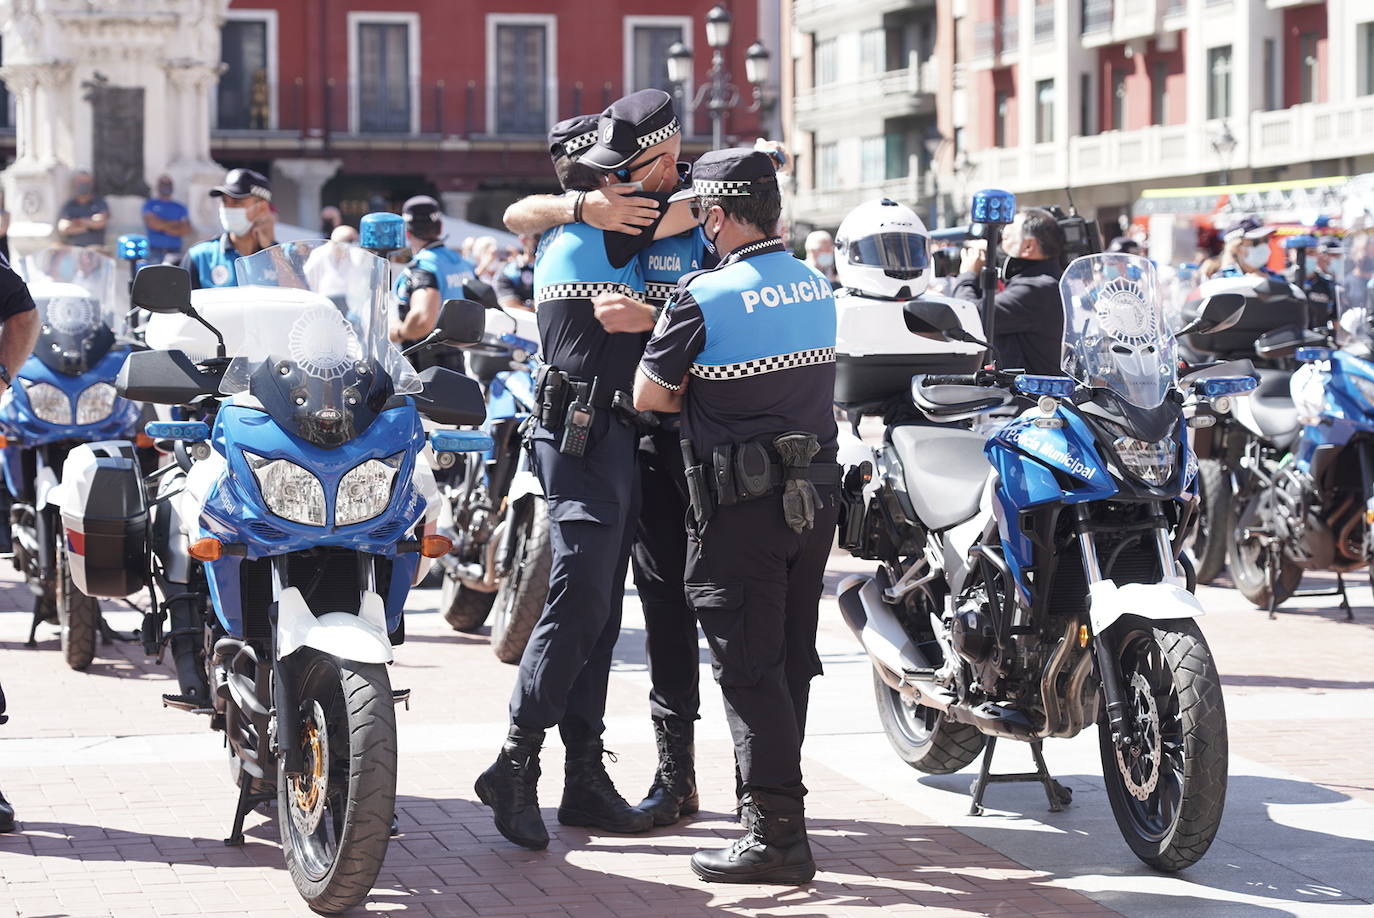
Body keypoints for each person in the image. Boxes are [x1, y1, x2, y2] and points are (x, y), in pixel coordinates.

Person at [474, 91, 693, 852]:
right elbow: (517, 215)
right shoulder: (606, 218)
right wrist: (583, 206)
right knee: (579, 603)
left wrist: (584, 208)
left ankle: (583, 781)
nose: (596, 180)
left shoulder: (638, 212)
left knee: (597, 614)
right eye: (593, 171)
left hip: (613, 438)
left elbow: (698, 203)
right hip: (580, 434)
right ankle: (516, 759)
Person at [634, 148, 839, 885]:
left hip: (738, 509)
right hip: (812, 499)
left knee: (748, 668)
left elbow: (649, 395)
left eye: (704, 218)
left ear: (716, 217)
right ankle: (777, 812)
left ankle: (777, 834)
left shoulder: (702, 294)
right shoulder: (816, 285)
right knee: (787, 660)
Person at [952, 206, 1067, 376]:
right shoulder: (1044, 280)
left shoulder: (1037, 289)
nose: (998, 247)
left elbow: (969, 315)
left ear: (1028, 246)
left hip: (1032, 400)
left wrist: (968, 273)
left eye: (1005, 238)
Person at [389, 196, 478, 356]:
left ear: (407, 234)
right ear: (440, 227)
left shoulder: (423, 267)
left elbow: (422, 320)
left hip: (425, 365)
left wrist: (398, 333)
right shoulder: (461, 262)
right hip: (458, 358)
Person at [180, 168, 276, 289]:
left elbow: (297, 298)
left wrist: (271, 249)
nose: (227, 208)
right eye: (225, 201)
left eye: (237, 201)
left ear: (261, 208)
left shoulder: (282, 257)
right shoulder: (200, 256)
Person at [141, 175, 193, 264]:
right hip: (154, 251)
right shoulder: (150, 204)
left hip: (175, 252)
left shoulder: (180, 207)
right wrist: (175, 224)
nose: (166, 187)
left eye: (168, 184)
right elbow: (153, 224)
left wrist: (162, 227)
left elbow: (186, 229)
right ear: (158, 186)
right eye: (163, 184)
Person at [302, 224, 362, 301]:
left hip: (350, 302)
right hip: (324, 302)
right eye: (349, 241)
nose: (353, 244)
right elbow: (307, 279)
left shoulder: (356, 255)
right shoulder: (319, 254)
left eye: (355, 241)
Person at [56, 172, 110, 248]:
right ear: (75, 184)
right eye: (80, 182)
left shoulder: (99, 203)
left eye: (86, 182)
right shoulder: (69, 205)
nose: (83, 185)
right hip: (73, 250)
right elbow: (63, 228)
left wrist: (77, 222)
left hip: (95, 251)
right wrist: (88, 225)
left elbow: (100, 222)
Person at [1216, 218, 1281, 280]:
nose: (1263, 246)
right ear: (1236, 247)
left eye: (1265, 240)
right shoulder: (1223, 280)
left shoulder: (1276, 277)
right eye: (1256, 242)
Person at [494, 233, 538, 311]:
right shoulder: (510, 271)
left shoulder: (554, 268)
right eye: (534, 237)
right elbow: (511, 308)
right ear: (522, 240)